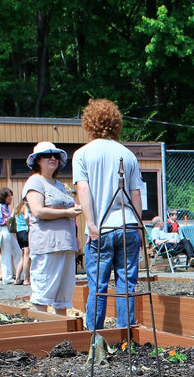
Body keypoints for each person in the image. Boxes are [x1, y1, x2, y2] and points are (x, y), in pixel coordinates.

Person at [73, 98, 144, 330]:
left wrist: (91, 225)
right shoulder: (128, 155)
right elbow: (135, 194)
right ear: (116, 124)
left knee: (98, 286)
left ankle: (95, 338)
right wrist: (139, 226)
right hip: (127, 225)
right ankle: (126, 336)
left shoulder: (83, 155)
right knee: (126, 284)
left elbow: (83, 189)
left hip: (100, 229)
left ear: (89, 123)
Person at [22, 141, 82, 314]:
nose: (52, 158)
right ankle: (42, 332)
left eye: (56, 155)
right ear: (37, 160)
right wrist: (67, 212)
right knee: (43, 292)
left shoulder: (59, 185)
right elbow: (38, 211)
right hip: (47, 246)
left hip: (66, 245)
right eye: (47, 155)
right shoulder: (35, 182)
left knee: (63, 296)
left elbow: (71, 213)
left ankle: (62, 334)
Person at [0, 187, 20, 284]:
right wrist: (10, 219)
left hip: (8, 231)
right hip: (4, 230)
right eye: (9, 196)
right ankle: (7, 277)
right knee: (6, 254)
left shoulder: (5, 207)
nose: (11, 198)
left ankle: (19, 274)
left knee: (17, 251)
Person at [12, 199, 31, 285]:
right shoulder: (25, 207)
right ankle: (26, 279)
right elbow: (27, 217)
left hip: (19, 233)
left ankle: (17, 278)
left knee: (23, 256)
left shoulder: (17, 207)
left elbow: (11, 217)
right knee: (27, 255)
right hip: (26, 231)